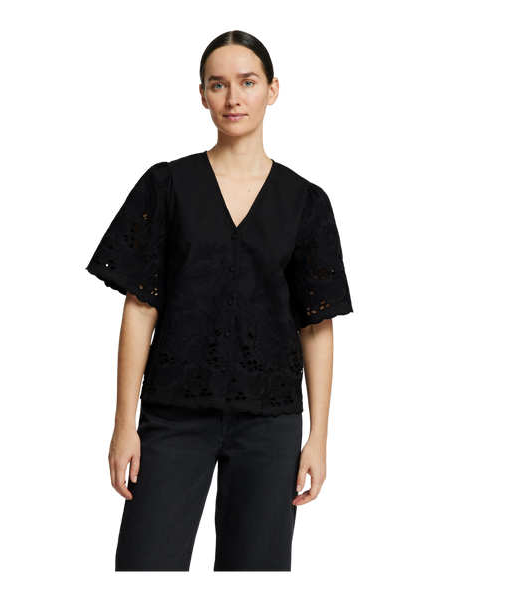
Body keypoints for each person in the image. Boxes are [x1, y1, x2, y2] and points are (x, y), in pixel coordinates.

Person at [83, 27, 356, 574]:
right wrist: (122, 423)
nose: (233, 98)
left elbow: (319, 324)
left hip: (272, 422)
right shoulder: (164, 185)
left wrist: (319, 437)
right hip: (173, 414)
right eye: (218, 84)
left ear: (274, 90)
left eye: (248, 82)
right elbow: (139, 306)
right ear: (201, 95)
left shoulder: (307, 201)